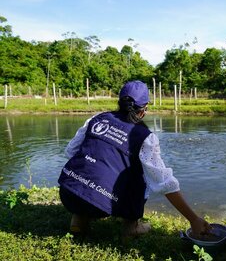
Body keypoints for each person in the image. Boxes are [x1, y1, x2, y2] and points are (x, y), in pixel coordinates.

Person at [58, 80, 210, 238]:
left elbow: (71, 151)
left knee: (92, 167)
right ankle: (131, 227)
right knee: (142, 177)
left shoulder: (97, 118)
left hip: (68, 192)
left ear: (119, 102)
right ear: (144, 110)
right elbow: (164, 183)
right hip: (101, 205)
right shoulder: (145, 137)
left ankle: (78, 218)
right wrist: (193, 219)